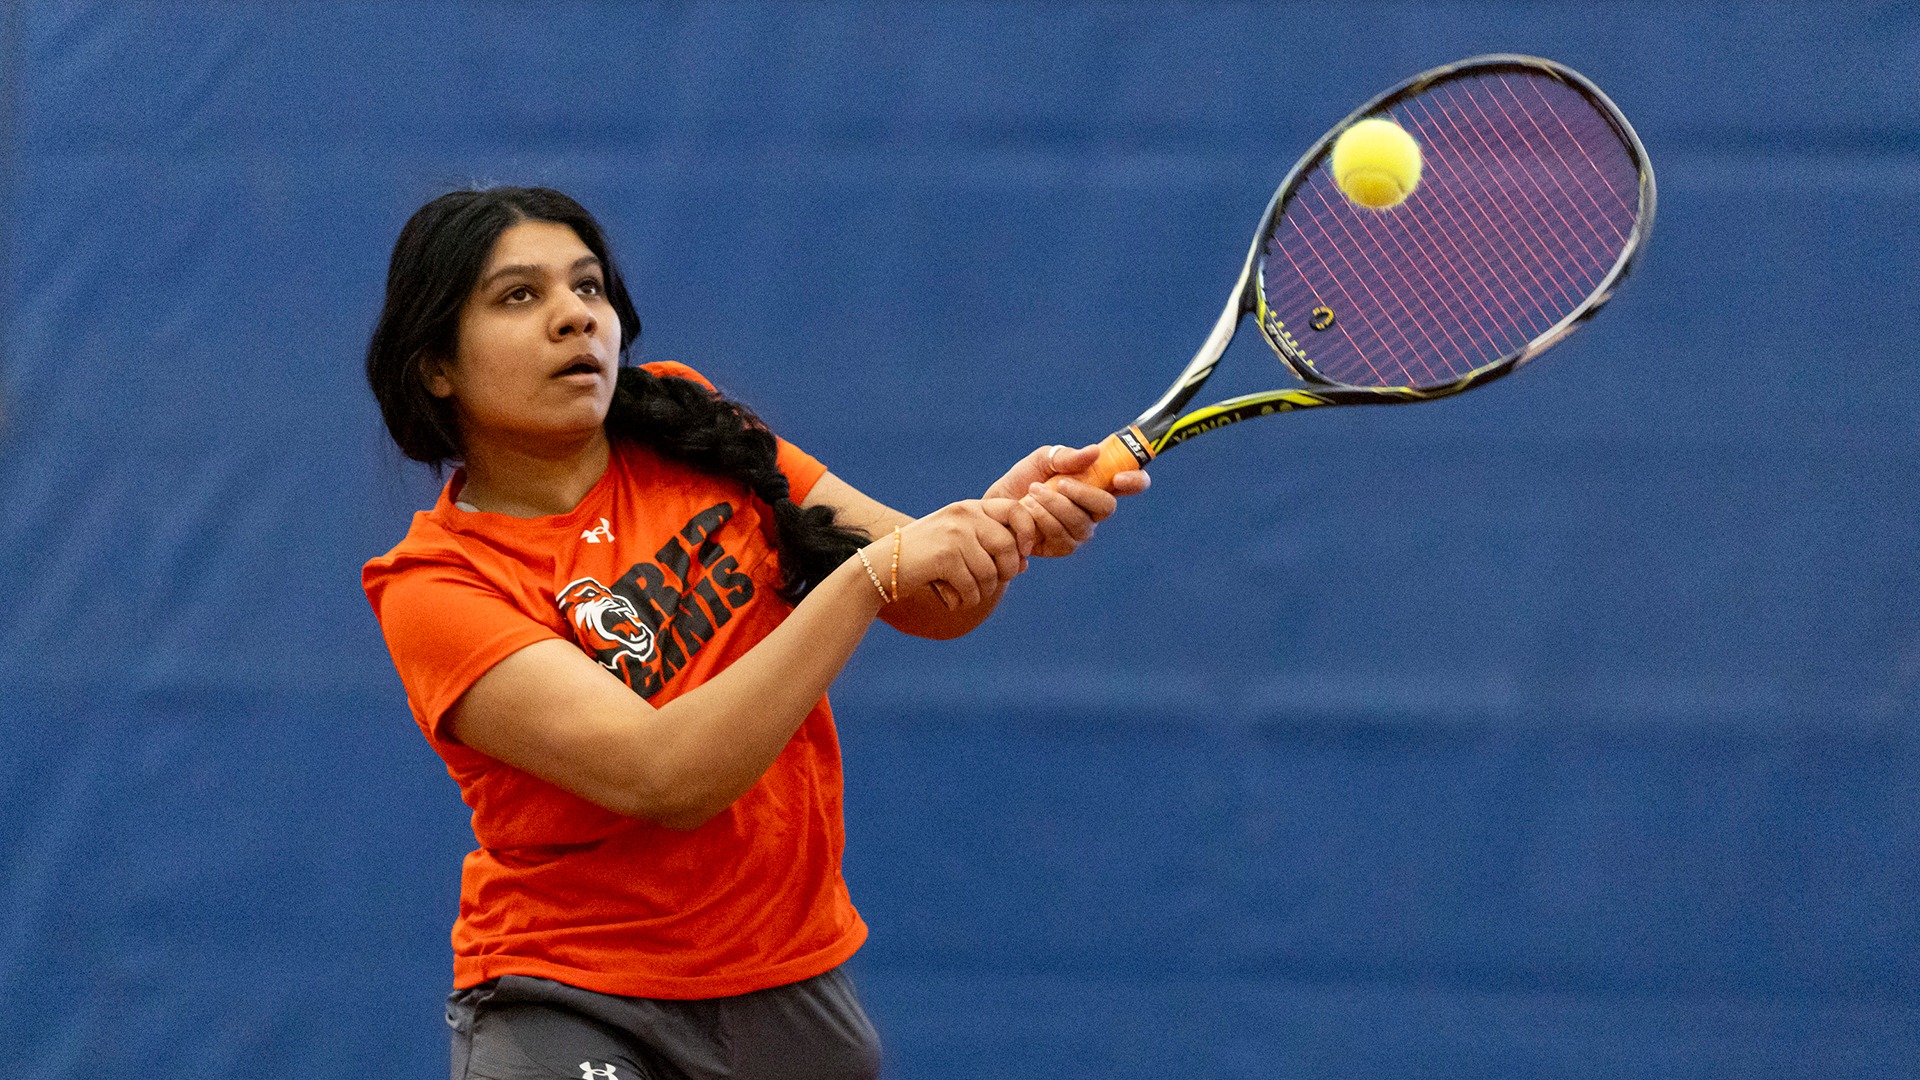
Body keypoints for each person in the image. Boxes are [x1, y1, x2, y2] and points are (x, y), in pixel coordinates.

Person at [360, 186, 1147, 1080]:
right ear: (435, 365)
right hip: (574, 1003)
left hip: (791, 988)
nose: (575, 318)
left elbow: (933, 603)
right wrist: (866, 578)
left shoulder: (690, 423)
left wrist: (992, 529)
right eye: (519, 297)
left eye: (588, 288)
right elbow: (664, 773)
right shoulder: (434, 585)